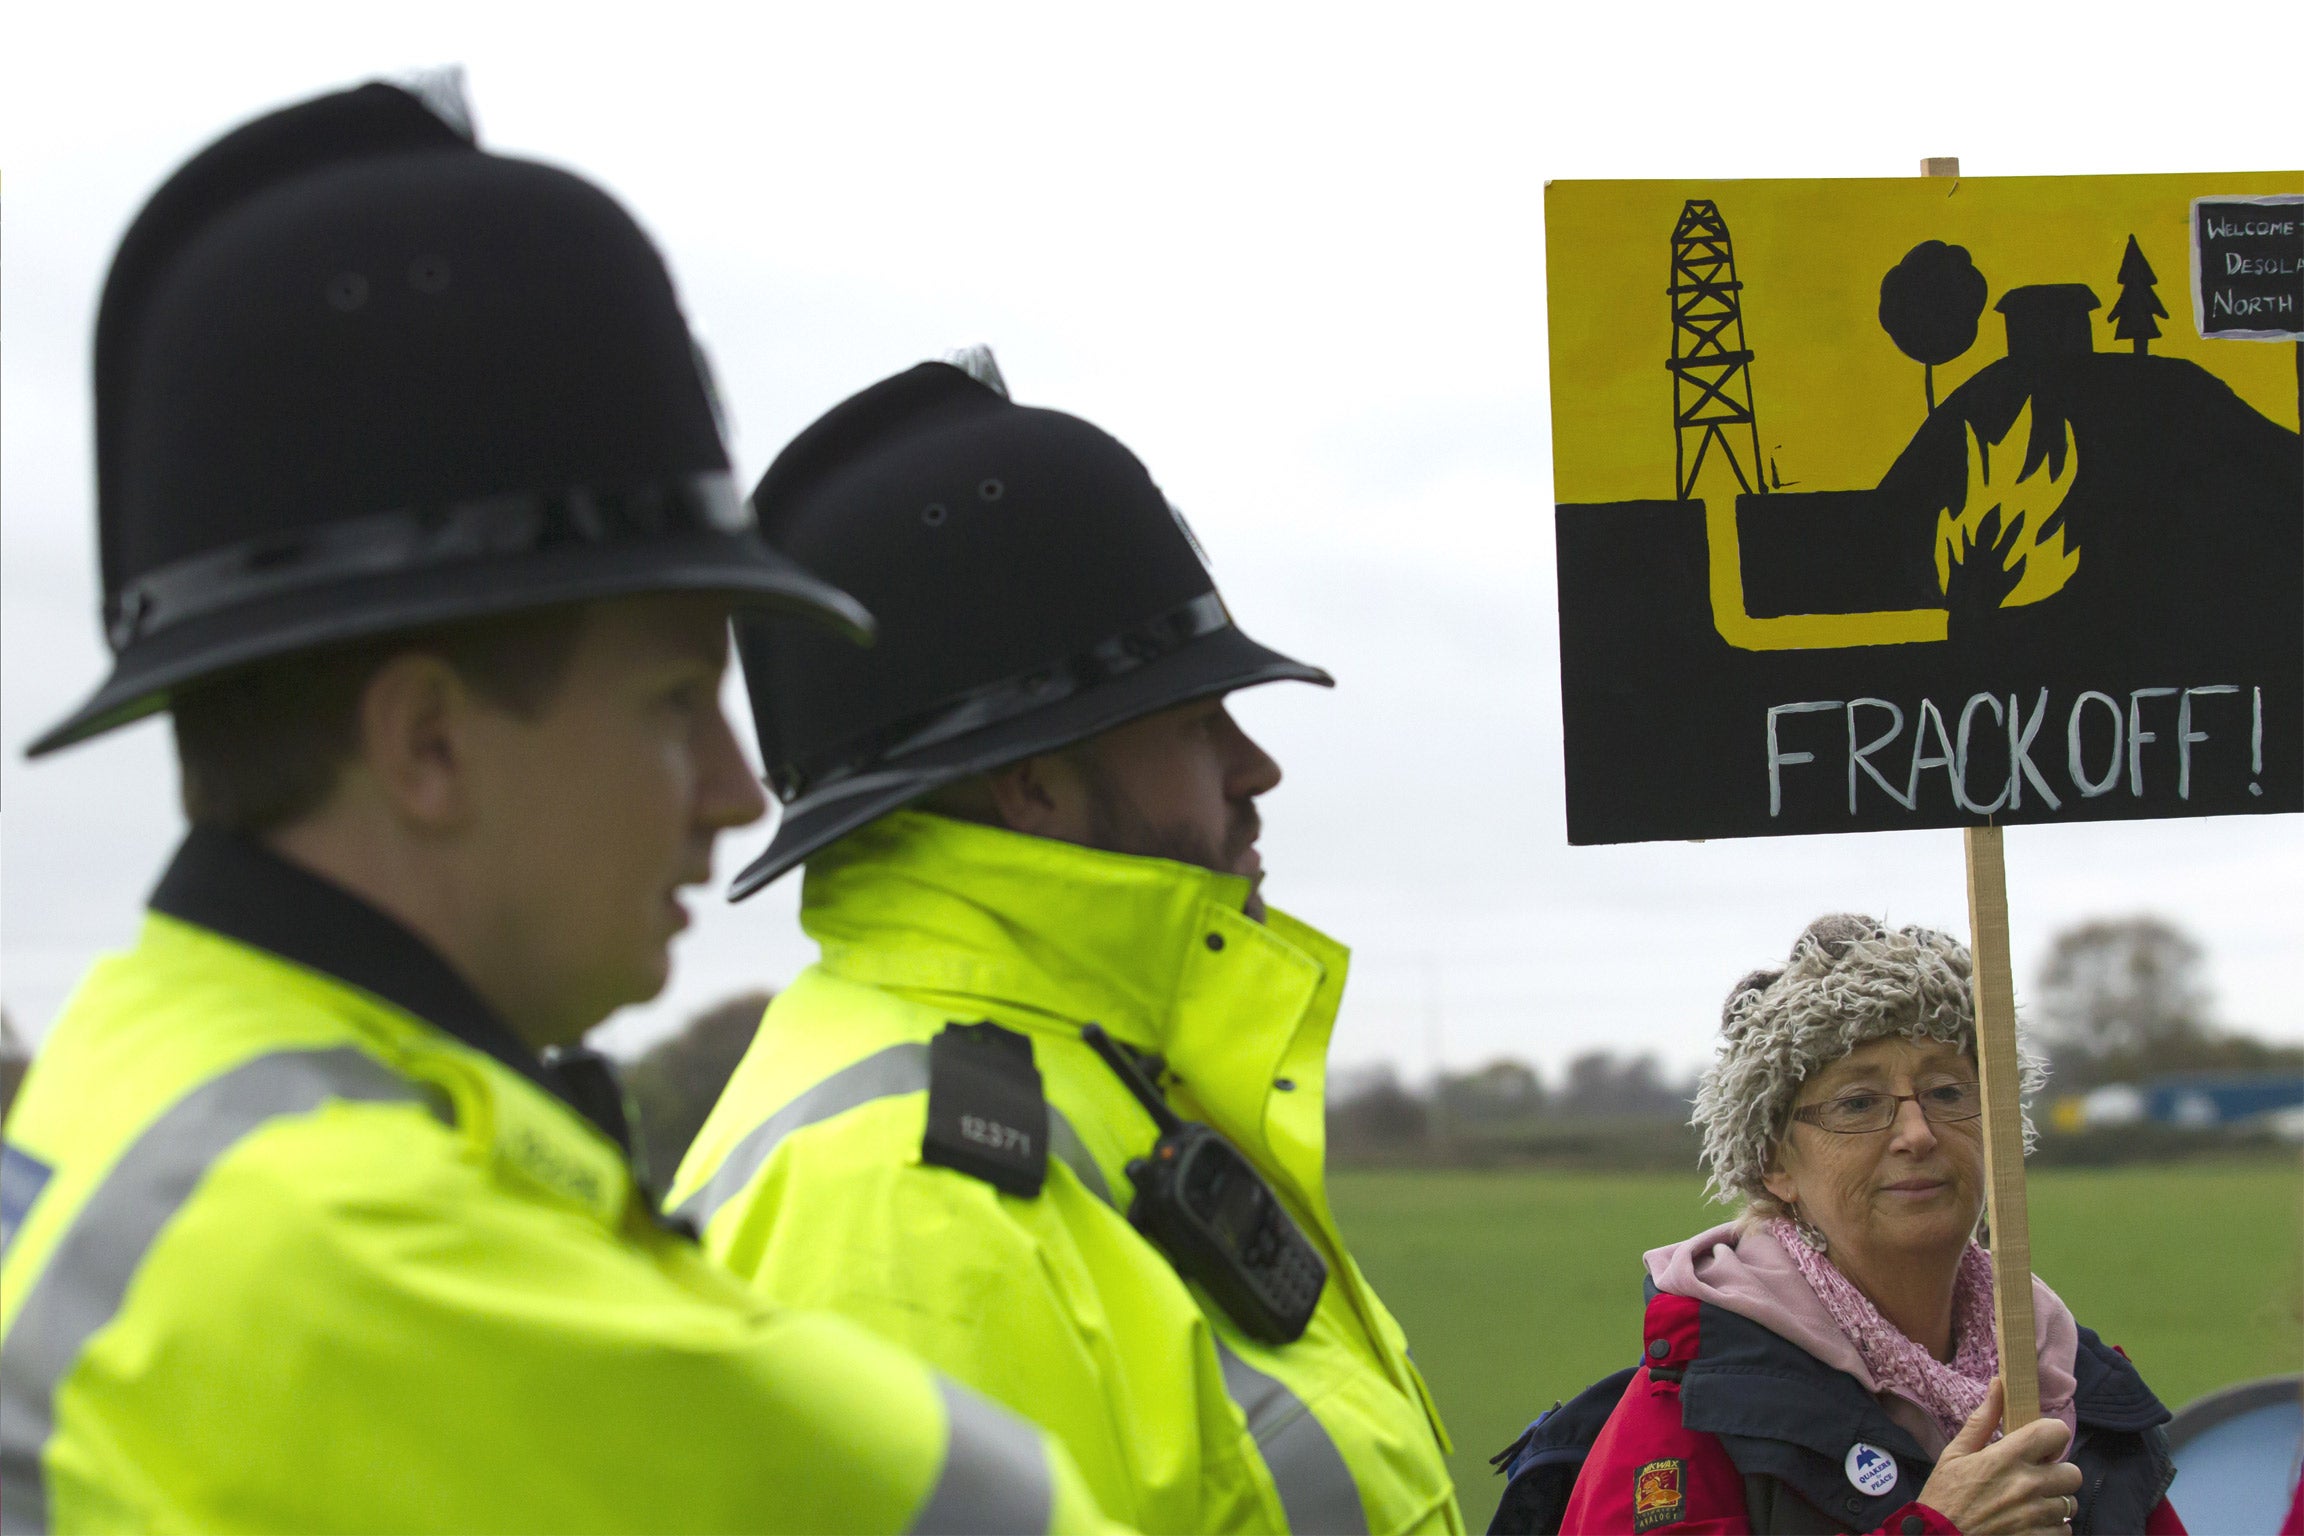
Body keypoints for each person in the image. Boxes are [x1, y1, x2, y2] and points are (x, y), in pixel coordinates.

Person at [0, 81, 1110, 1534]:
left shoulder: (148, 1070)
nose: (732, 792)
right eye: (671, 704)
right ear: (428, 747)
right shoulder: (373, 1252)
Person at [666, 356, 1462, 1534]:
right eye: (1197, 723)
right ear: (1032, 786)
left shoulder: (1097, 1085)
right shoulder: (911, 1207)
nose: (1256, 770)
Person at [1489, 916, 2182, 1536]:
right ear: (1773, 1166)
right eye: (1858, 1103)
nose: (1917, 1132)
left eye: (1948, 1092)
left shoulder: (2076, 1382)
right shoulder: (1697, 1410)